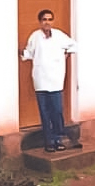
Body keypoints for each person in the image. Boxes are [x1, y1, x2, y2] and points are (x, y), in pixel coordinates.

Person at [21, 9, 78, 153]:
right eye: (44, 19)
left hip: (56, 80)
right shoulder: (35, 36)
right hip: (40, 80)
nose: (47, 22)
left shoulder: (59, 36)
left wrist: (66, 54)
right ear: (40, 22)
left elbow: (74, 45)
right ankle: (49, 142)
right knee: (45, 113)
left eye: (50, 19)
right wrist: (20, 52)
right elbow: (29, 53)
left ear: (53, 21)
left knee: (57, 111)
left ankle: (58, 139)